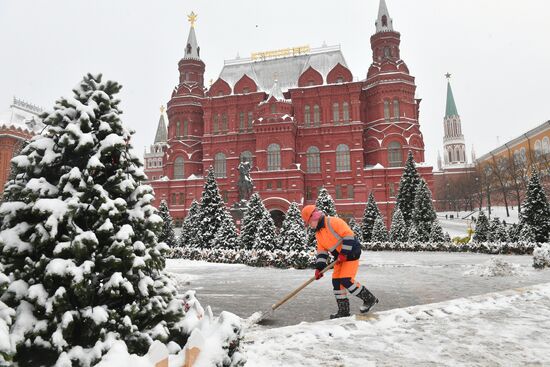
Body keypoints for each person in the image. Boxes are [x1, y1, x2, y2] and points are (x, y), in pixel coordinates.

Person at [301, 205, 378, 318]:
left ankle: (369, 299)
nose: (309, 226)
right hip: (340, 258)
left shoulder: (333, 222)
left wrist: (344, 253)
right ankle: (343, 311)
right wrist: (319, 268)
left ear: (314, 218)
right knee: (337, 282)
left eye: (308, 222)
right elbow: (322, 252)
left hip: (351, 253)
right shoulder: (319, 234)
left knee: (346, 280)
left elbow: (348, 236)